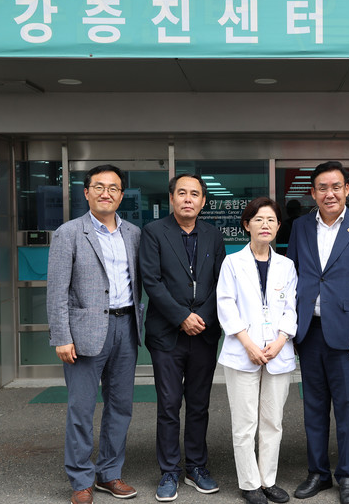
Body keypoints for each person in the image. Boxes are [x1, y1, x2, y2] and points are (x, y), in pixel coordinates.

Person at [47, 164, 142, 504]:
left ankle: (109, 473)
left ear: (121, 195)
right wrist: (62, 336)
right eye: (99, 187)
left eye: (113, 188)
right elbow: (56, 290)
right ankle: (81, 480)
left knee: (121, 406)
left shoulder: (133, 233)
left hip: (126, 327)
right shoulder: (69, 233)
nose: (106, 193)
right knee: (81, 409)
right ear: (86, 193)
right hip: (83, 333)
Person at [287, 161, 349, 504]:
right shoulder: (299, 226)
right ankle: (318, 473)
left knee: (346, 408)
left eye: (336, 187)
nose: (330, 193)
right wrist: (290, 329)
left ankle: (348, 477)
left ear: (346, 190)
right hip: (309, 332)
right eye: (323, 188)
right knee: (313, 407)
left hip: (347, 334)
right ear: (313, 193)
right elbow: (291, 278)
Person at [139, 173, 226, 502]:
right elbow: (152, 281)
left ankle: (197, 466)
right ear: (171, 198)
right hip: (167, 334)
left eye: (195, 194)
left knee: (199, 404)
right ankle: (169, 471)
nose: (188, 199)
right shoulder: (153, 232)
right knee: (169, 404)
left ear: (203, 201)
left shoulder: (213, 235)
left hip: (203, 332)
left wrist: (201, 318)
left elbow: (221, 283)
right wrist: (181, 317)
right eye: (182, 193)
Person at [216, 197, 298, 504]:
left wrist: (280, 341)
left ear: (278, 227)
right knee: (245, 422)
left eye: (271, 220)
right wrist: (249, 344)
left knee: (272, 421)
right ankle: (249, 483)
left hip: (278, 351)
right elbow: (226, 305)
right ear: (247, 225)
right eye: (259, 219)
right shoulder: (232, 263)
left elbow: (292, 308)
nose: (265, 225)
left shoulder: (287, 266)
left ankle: (268, 481)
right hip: (243, 351)